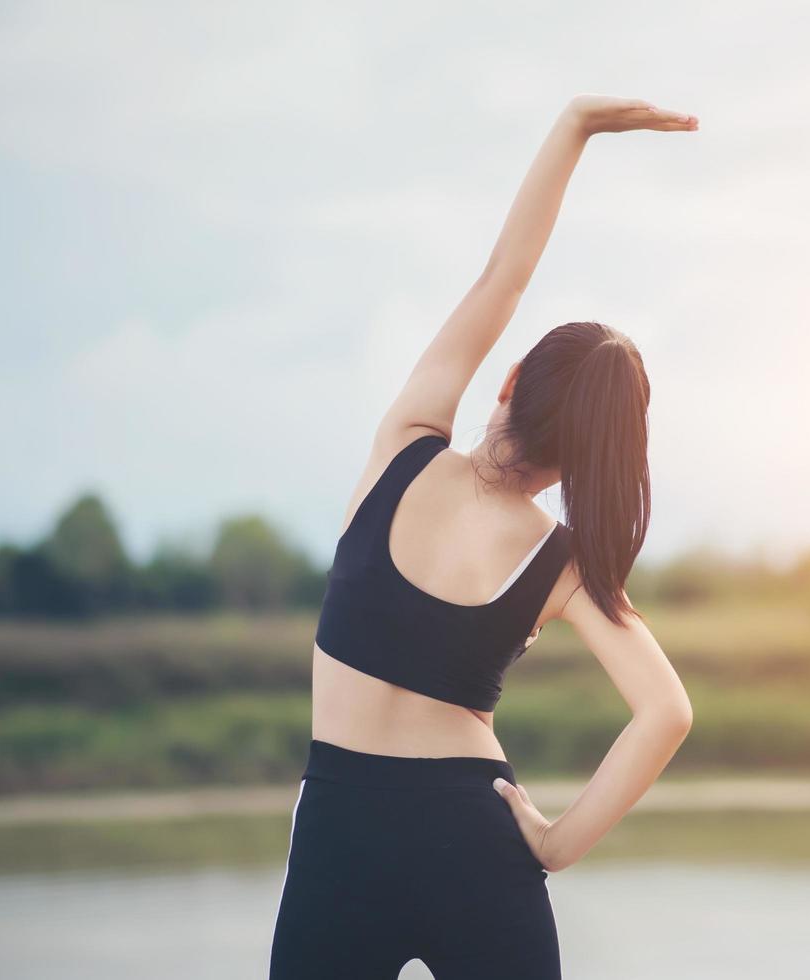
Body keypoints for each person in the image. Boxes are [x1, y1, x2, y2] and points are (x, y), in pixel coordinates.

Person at [268, 94, 699, 979]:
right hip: (476, 836)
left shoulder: (405, 443)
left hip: (340, 831)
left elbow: (503, 275)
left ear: (506, 382)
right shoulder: (564, 564)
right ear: (588, 458)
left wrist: (575, 123)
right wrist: (554, 844)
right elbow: (667, 711)